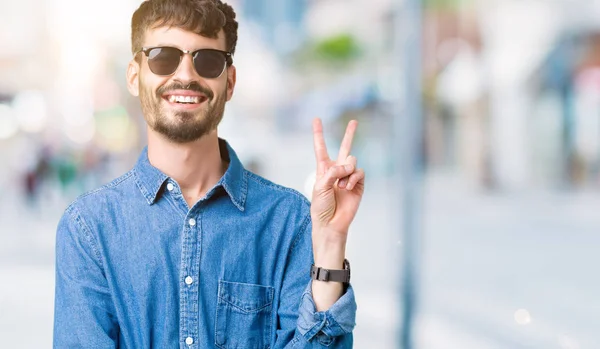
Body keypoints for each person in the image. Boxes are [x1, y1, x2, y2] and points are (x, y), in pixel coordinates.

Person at [53, 0, 365, 347]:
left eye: (208, 60)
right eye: (163, 57)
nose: (186, 75)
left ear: (229, 82)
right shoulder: (89, 229)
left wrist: (331, 242)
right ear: (134, 75)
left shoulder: (290, 221)